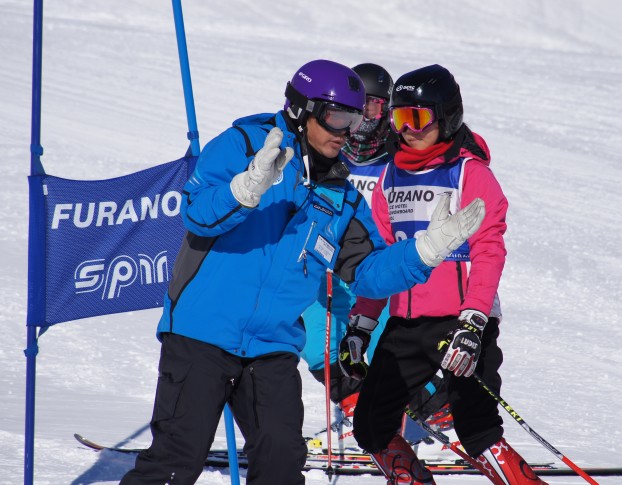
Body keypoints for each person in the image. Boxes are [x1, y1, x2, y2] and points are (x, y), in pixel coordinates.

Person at [120, 59, 486, 485]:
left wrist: (423, 252)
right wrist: (243, 191)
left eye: (354, 118)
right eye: (336, 117)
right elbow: (196, 214)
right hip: (202, 333)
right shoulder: (246, 144)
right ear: (301, 109)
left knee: (281, 465)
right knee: (175, 460)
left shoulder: (340, 193)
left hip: (272, 347)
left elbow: (367, 273)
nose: (345, 131)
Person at [339, 64, 548, 485]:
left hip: (460, 323)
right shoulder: (389, 178)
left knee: (478, 431)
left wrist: (473, 322)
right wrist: (362, 324)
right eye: (399, 118)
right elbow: (380, 262)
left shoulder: (470, 173)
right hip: (404, 325)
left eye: (417, 118)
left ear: (447, 116)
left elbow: (489, 251)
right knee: (371, 426)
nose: (407, 130)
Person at [300, 63, 451, 452]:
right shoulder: (329, 149)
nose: (368, 116)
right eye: (361, 106)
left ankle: (421, 407)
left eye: (377, 107)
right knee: (315, 332)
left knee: (387, 334)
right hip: (334, 264)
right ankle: (354, 408)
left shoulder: (397, 154)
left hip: (379, 266)